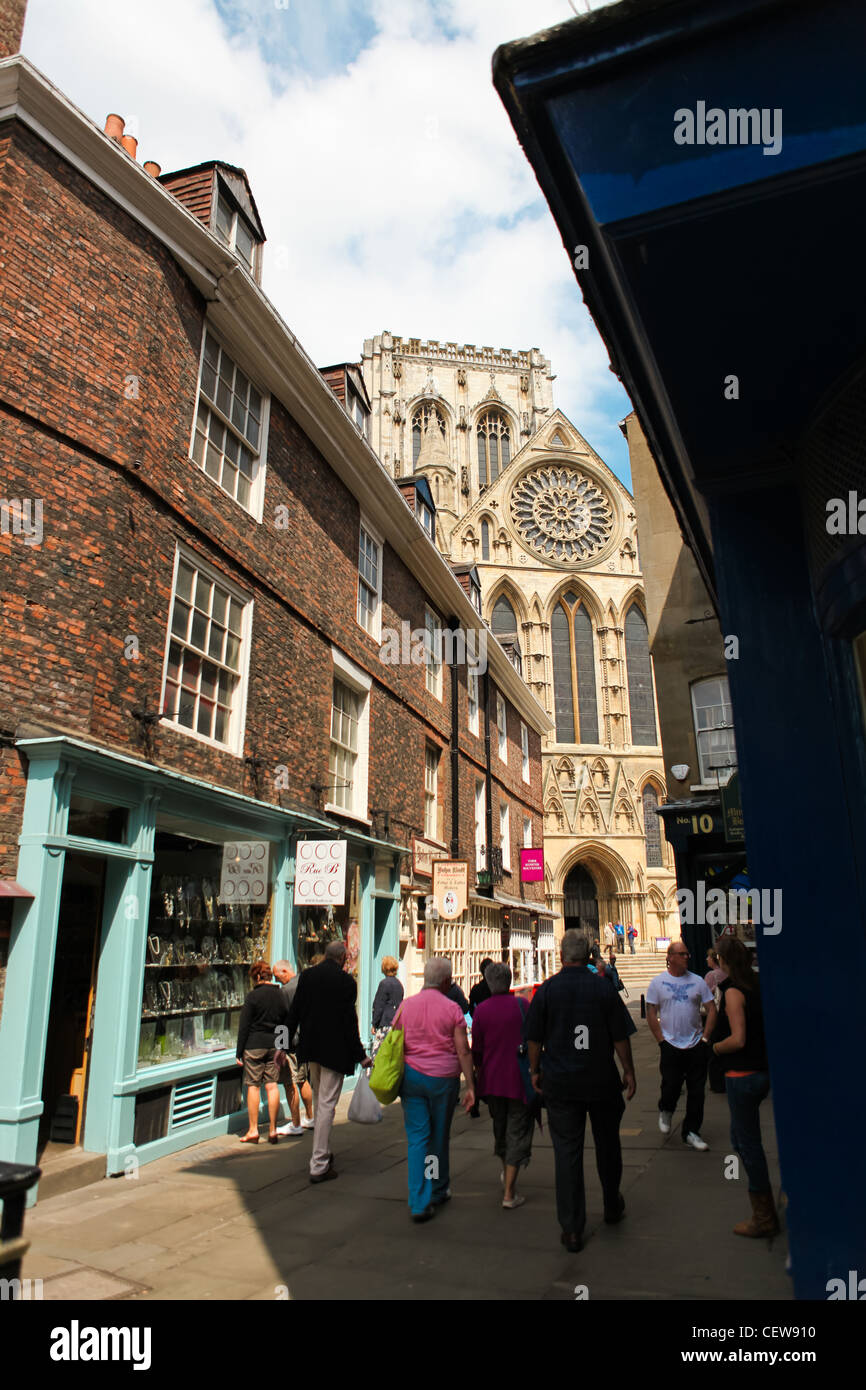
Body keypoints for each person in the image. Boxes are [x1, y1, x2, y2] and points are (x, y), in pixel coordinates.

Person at [526, 930, 636, 1252]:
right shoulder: (603, 988)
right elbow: (620, 1037)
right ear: (589, 955)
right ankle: (612, 1205)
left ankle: (573, 1229)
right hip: (601, 1081)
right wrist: (628, 1070)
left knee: (567, 1154)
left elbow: (533, 1038)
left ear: (561, 956)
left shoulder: (546, 991)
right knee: (608, 1146)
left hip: (560, 1085)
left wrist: (535, 1071)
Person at [396, 957, 475, 1221]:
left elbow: (394, 1043)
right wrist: (471, 1085)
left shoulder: (406, 1006)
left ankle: (420, 1200)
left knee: (418, 1139)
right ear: (446, 981)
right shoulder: (452, 1008)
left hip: (412, 1078)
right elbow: (463, 1049)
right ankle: (438, 1188)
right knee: (439, 1137)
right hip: (443, 1080)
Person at [286, 941, 371, 1184]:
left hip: (311, 1050)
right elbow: (349, 1023)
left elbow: (294, 1013)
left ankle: (321, 1153)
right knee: (325, 1107)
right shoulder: (346, 983)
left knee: (321, 1102)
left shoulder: (308, 976)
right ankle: (319, 1164)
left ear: (326, 955)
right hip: (334, 1053)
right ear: (343, 957)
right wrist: (360, 1055)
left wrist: (281, 1045)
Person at [711, 937, 779, 1237]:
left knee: (748, 1145)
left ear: (724, 961)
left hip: (742, 1075)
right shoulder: (759, 984)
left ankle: (764, 1217)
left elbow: (737, 1039)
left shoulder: (734, 992)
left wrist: (714, 1049)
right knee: (740, 1140)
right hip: (762, 1070)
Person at [471, 962, 536, 1209]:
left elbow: (476, 1049)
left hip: (492, 1082)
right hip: (519, 1080)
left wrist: (475, 1077)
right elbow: (534, 1039)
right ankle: (509, 1193)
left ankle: (507, 1172)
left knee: (501, 1130)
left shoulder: (482, 1011)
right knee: (517, 1130)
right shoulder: (522, 1005)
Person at [646, 941, 717, 1149]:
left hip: (695, 1043)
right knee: (671, 1085)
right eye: (682, 954)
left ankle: (692, 1132)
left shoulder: (697, 981)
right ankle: (666, 1109)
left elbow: (712, 1009)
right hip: (670, 1044)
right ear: (670, 957)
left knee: (697, 1091)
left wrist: (705, 1039)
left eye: (687, 954)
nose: (687, 957)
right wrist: (660, 1040)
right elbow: (651, 1012)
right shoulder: (658, 983)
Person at [235, 961, 287, 1145]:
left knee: (253, 1086)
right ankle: (273, 1130)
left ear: (257, 977)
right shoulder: (280, 994)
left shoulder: (253, 997)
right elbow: (285, 1022)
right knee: (272, 1085)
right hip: (274, 1045)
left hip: (254, 1045)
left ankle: (253, 1129)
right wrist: (283, 1047)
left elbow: (244, 1026)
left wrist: (239, 1052)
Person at [272, 960, 314, 1137]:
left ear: (284, 971)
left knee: (290, 1082)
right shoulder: (306, 985)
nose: (276, 979)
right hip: (306, 1040)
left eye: (277, 976)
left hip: (292, 1043)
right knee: (303, 1080)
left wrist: (280, 1046)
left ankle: (296, 1123)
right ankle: (311, 1117)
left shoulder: (285, 991)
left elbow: (283, 1021)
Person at [370, 956, 404, 1058]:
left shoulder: (384, 984)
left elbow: (379, 1005)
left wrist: (374, 1024)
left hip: (385, 1024)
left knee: (378, 1056)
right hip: (396, 1024)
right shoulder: (399, 984)